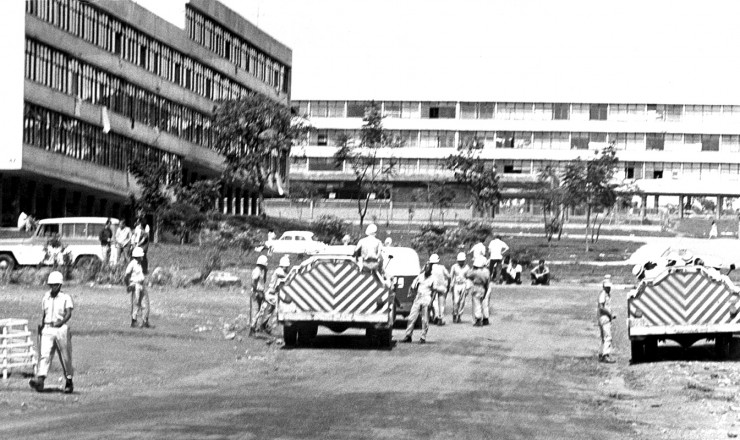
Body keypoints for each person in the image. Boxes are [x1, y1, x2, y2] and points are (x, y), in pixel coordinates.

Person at [29, 271, 74, 393]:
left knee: (65, 356)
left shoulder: (66, 298)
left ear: (60, 285)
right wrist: (42, 327)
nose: (52, 287)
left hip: (61, 329)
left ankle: (69, 380)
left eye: (55, 285)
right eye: (51, 285)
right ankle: (40, 380)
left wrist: (60, 322)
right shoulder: (46, 297)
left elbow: (69, 313)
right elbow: (44, 314)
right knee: (45, 355)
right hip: (48, 328)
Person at [401, 257, 446, 344]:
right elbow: (413, 286)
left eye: (428, 269)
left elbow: (434, 291)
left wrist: (431, 302)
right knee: (411, 317)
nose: (427, 270)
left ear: (430, 270)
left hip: (427, 298)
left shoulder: (433, 278)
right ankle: (408, 335)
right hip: (418, 297)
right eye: (426, 268)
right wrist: (412, 293)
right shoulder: (420, 277)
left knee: (424, 320)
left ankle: (423, 337)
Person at [253, 256, 290, 335]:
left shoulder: (281, 271)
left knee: (267, 311)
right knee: (273, 310)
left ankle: (261, 326)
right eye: (286, 267)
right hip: (271, 294)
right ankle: (257, 326)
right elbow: (286, 277)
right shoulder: (279, 271)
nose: (287, 268)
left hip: (273, 294)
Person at [125, 247, 149, 328]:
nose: (142, 257)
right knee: (136, 303)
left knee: (144, 303)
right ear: (137, 256)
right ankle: (134, 321)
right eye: (141, 256)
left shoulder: (139, 264)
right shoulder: (132, 264)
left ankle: (145, 321)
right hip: (135, 285)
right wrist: (128, 285)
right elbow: (126, 275)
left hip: (142, 284)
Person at [466, 256, 491, 327]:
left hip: (476, 287)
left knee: (476, 304)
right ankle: (485, 318)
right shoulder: (486, 271)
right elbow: (487, 282)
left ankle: (478, 319)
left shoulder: (475, 272)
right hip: (483, 287)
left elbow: (468, 275)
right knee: (484, 303)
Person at [597, 275, 616, 363]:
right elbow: (601, 307)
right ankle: (606, 355)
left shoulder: (606, 294)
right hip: (604, 318)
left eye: (609, 287)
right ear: (604, 286)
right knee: (608, 337)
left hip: (604, 317)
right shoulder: (603, 294)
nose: (609, 288)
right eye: (607, 287)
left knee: (603, 337)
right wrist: (610, 314)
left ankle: (601, 354)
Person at [249, 255, 269, 336]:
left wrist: (266, 272)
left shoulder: (261, 271)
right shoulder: (257, 271)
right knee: (255, 310)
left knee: (260, 310)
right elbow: (253, 283)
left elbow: (263, 281)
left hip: (260, 292)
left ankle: (256, 327)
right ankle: (252, 329)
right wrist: (258, 292)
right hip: (256, 293)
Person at [449, 252, 470, 323]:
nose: (461, 262)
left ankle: (459, 315)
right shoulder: (454, 267)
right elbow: (451, 277)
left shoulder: (467, 267)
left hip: (463, 284)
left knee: (462, 301)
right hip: (456, 285)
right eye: (459, 261)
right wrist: (451, 286)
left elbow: (468, 278)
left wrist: (467, 288)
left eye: (462, 261)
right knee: (456, 301)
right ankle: (455, 314)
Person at [429, 254, 450, 325]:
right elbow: (448, 276)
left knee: (434, 303)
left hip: (433, 288)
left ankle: (436, 316)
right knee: (441, 304)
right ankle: (440, 318)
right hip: (442, 287)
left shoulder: (429, 268)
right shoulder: (442, 267)